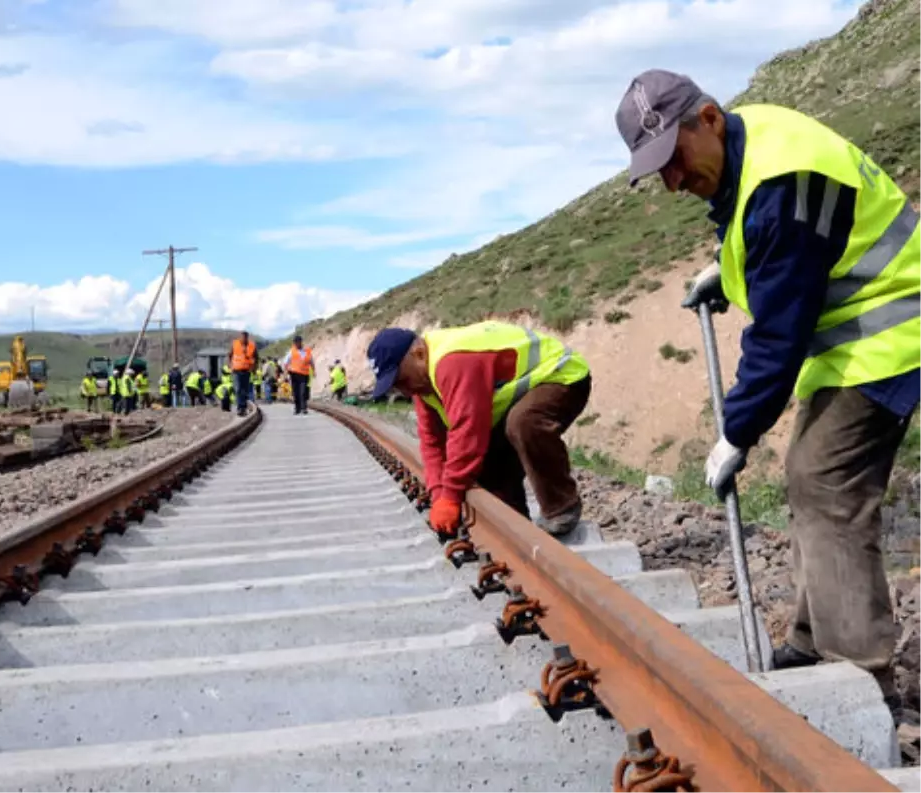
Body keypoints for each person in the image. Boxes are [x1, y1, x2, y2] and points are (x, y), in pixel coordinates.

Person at [615, 69, 921, 693]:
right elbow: (776, 242)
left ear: (707, 119)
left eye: (671, 159)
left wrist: (736, 431)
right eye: (659, 172)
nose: (672, 183)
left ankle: (859, 678)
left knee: (825, 481)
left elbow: (778, 336)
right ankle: (813, 645)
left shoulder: (783, 181)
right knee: (811, 477)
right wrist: (724, 275)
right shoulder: (751, 140)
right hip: (852, 341)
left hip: (893, 331)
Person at [367, 321, 592, 537]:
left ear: (419, 354)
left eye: (402, 379)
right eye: (396, 386)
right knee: (488, 460)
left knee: (524, 422)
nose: (405, 392)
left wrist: (451, 495)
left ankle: (561, 507)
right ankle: (515, 530)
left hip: (561, 374)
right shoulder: (422, 386)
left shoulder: (453, 362)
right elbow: (432, 443)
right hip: (519, 393)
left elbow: (467, 432)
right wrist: (439, 496)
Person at [283, 335, 314, 415]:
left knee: (303, 392)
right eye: (295, 342)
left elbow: (311, 361)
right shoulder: (291, 352)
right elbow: (286, 364)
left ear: (301, 342)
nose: (297, 344)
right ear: (294, 343)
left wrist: (314, 371)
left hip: (304, 375)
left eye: (298, 342)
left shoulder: (307, 351)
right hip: (294, 375)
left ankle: (304, 408)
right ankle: (297, 408)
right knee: (296, 393)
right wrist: (285, 375)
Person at [230, 330, 257, 417]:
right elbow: (230, 355)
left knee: (244, 390)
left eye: (245, 337)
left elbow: (256, 357)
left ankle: (243, 408)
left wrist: (254, 368)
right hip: (236, 370)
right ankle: (240, 408)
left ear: (247, 337)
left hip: (246, 370)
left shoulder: (251, 346)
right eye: (242, 337)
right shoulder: (235, 344)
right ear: (240, 337)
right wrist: (230, 365)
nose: (244, 338)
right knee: (238, 389)